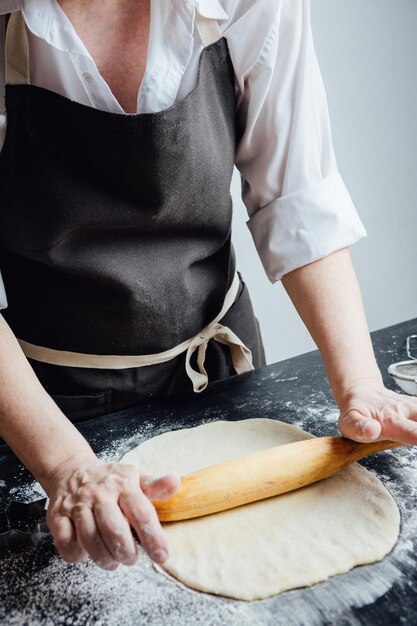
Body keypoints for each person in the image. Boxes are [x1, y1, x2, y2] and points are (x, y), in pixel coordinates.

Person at [0, 0, 416, 572]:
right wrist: (68, 467)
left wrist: (361, 387)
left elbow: (296, 193)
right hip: (44, 403)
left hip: (219, 362)